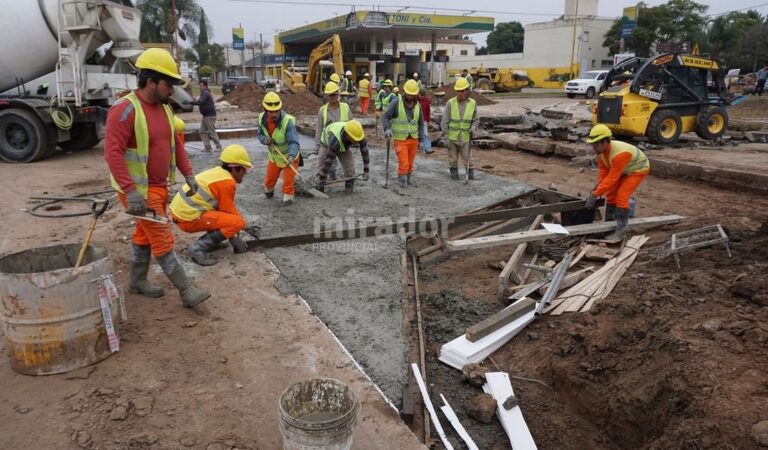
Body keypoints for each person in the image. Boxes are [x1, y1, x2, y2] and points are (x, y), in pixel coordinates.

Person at [104, 48, 209, 308]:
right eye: (168, 84)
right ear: (150, 81)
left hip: (159, 186)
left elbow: (176, 145)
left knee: (143, 234)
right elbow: (113, 153)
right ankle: (186, 291)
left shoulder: (165, 110)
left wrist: (189, 175)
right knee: (162, 236)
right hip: (139, 190)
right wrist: (130, 191)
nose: (172, 90)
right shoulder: (125, 110)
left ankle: (137, 282)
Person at [170, 144, 252, 266]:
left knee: (228, 219)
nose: (245, 174)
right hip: (187, 219)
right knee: (238, 222)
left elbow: (222, 211)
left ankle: (213, 242)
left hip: (183, 213)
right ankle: (197, 248)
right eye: (244, 170)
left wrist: (233, 235)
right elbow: (229, 213)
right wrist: (242, 227)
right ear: (235, 168)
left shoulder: (218, 173)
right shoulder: (227, 182)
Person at [584, 124, 650, 240]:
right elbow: (604, 171)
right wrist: (599, 186)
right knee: (610, 194)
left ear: (606, 142)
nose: (594, 148)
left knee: (622, 195)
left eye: (596, 144)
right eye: (592, 144)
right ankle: (609, 226)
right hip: (623, 170)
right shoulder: (601, 153)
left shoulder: (620, 154)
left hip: (637, 169)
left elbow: (612, 178)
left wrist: (595, 194)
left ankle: (621, 230)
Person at [257, 92, 301, 205]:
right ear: (265, 110)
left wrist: (291, 156)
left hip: (289, 158)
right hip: (274, 157)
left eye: (276, 111)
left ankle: (288, 199)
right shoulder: (262, 119)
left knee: (287, 183)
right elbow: (260, 134)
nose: (274, 114)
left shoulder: (287, 122)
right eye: (271, 112)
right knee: (269, 181)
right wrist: (264, 140)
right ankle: (269, 192)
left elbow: (294, 142)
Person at [382, 79, 425, 188]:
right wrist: (387, 128)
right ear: (405, 92)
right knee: (404, 163)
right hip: (400, 139)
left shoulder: (418, 106)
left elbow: (420, 124)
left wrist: (422, 140)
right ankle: (402, 185)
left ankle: (407, 181)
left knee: (410, 164)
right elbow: (385, 116)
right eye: (409, 94)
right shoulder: (396, 102)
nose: (411, 97)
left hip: (414, 139)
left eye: (413, 95)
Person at [315, 120, 370, 194]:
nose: (357, 142)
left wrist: (366, 170)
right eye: (354, 140)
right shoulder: (335, 140)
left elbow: (365, 152)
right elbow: (328, 161)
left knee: (350, 169)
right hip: (326, 144)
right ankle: (319, 189)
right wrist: (322, 177)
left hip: (344, 146)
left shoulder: (359, 134)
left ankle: (349, 190)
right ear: (348, 135)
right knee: (322, 168)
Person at [441, 77, 477, 180]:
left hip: (465, 137)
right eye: (458, 91)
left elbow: (475, 119)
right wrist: (446, 137)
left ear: (467, 91)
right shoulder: (450, 103)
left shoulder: (473, 104)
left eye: (462, 91)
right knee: (452, 159)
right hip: (452, 138)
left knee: (468, 159)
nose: (460, 93)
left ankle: (470, 176)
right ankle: (454, 176)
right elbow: (444, 122)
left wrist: (473, 127)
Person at [315, 81, 352, 181]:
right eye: (330, 95)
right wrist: (318, 146)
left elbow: (352, 125)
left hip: (342, 143)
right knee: (321, 163)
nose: (332, 97)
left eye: (334, 94)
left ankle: (349, 183)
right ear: (327, 96)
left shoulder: (346, 108)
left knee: (349, 167)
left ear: (338, 94)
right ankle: (320, 182)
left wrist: (351, 140)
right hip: (327, 144)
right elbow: (319, 128)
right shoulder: (322, 110)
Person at [191, 80, 222, 152]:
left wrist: (191, 102)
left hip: (209, 116)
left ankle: (219, 147)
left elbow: (201, 102)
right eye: (199, 85)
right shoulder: (204, 93)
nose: (199, 87)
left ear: (205, 86)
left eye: (201, 85)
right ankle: (207, 147)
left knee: (212, 132)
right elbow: (200, 102)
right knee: (202, 131)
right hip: (206, 115)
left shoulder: (206, 93)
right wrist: (194, 101)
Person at [418, 87, 434, 154]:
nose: (421, 97)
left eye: (423, 96)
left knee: (425, 134)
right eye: (420, 95)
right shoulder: (415, 99)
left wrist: (428, 121)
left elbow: (428, 111)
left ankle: (428, 148)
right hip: (415, 120)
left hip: (423, 120)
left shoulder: (426, 101)